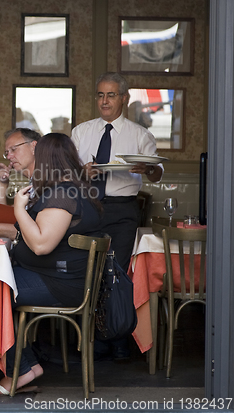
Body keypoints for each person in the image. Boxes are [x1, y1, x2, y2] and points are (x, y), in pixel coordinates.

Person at [0, 133, 102, 395]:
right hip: (54, 276)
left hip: (62, 284)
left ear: (47, 159)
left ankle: (22, 369)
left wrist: (19, 209)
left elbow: (42, 245)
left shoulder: (63, 193)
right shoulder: (65, 188)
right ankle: (24, 364)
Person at [71, 72, 163, 361]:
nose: (104, 100)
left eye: (111, 95)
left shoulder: (140, 134)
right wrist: (81, 172)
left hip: (123, 209)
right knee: (89, 272)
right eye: (100, 95)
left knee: (117, 273)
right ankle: (96, 337)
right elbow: (68, 172)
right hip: (87, 207)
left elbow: (158, 173)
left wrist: (147, 169)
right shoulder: (81, 132)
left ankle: (119, 337)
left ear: (125, 98)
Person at [0, 128, 41, 239]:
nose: (9, 157)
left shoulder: (49, 182)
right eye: (7, 153)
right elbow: (1, 216)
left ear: (34, 147)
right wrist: (2, 183)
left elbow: (29, 231)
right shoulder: (34, 182)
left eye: (13, 149)